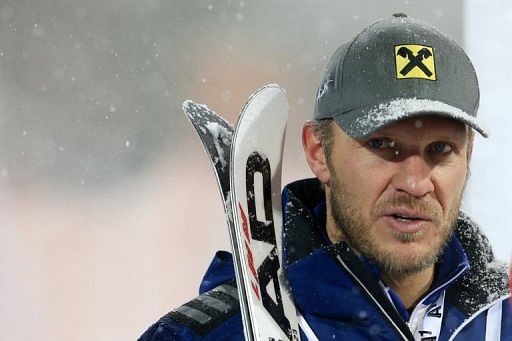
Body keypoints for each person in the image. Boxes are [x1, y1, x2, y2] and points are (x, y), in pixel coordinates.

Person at [140, 13, 511, 340]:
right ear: (318, 152)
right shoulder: (207, 335)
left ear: (468, 156)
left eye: (441, 150)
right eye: (382, 145)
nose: (414, 183)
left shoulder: (503, 318)